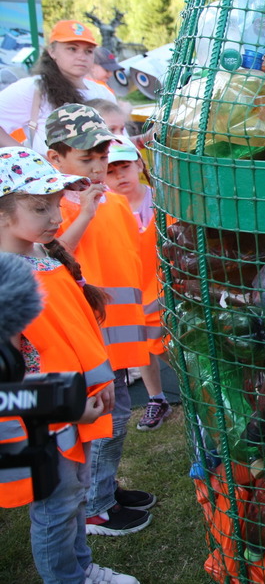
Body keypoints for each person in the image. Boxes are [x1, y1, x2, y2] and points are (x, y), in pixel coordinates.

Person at [0, 146, 141, 584]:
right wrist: (68, 407)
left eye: (57, 203)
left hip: (72, 409)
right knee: (57, 507)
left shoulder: (42, 260)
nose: (55, 215)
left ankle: (81, 568)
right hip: (45, 422)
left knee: (73, 497)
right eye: (40, 207)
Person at [42, 104, 156, 537]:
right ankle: (95, 507)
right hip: (89, 338)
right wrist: (85, 213)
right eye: (85, 159)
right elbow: (51, 262)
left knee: (116, 415)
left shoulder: (111, 199)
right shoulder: (55, 207)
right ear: (55, 159)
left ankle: (104, 491)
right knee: (107, 419)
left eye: (101, 158)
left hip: (119, 336)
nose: (97, 167)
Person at [103, 136, 173, 431]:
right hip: (132, 294)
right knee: (142, 348)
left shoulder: (162, 199)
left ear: (139, 165)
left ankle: (197, 395)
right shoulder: (106, 210)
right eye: (110, 170)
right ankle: (157, 397)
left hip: (167, 289)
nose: (119, 176)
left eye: (124, 167)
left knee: (173, 349)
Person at [0, 21, 118, 153]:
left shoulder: (102, 92)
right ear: (52, 52)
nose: (81, 57)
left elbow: (118, 138)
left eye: (88, 51)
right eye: (72, 49)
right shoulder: (33, 88)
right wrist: (29, 157)